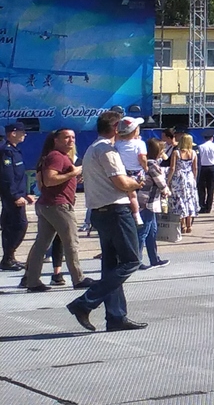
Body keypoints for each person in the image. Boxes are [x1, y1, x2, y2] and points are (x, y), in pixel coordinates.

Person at [66, 108, 147, 332]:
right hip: (115, 211)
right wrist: (138, 183)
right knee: (131, 261)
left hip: (101, 212)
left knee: (111, 266)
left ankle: (116, 316)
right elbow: (121, 183)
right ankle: (84, 303)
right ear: (115, 128)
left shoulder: (94, 148)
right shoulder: (107, 151)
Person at [19, 127, 83, 291]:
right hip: (58, 205)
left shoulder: (57, 157)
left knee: (41, 244)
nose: (71, 140)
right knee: (71, 243)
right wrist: (73, 173)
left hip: (48, 204)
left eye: (73, 137)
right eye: (66, 137)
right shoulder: (57, 156)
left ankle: (32, 281)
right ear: (56, 140)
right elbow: (49, 180)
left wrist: (74, 176)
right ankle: (78, 279)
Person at [0, 121, 28, 271]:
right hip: (12, 197)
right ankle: (8, 257)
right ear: (13, 133)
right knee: (19, 225)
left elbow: (19, 176)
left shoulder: (15, 150)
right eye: (22, 132)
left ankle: (8, 258)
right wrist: (15, 196)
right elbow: (7, 176)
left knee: (10, 226)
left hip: (17, 194)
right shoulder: (6, 151)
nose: (25, 135)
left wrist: (26, 193)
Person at [137, 137, 169, 266]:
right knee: (143, 232)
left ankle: (154, 258)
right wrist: (166, 190)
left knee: (152, 231)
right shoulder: (152, 164)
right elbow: (161, 182)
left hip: (151, 201)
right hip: (147, 201)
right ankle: (137, 261)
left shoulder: (149, 162)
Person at [194, 130, 214, 214]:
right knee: (211, 188)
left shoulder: (200, 147)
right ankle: (208, 207)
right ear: (212, 138)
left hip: (202, 168)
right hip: (212, 167)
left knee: (201, 188)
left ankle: (202, 205)